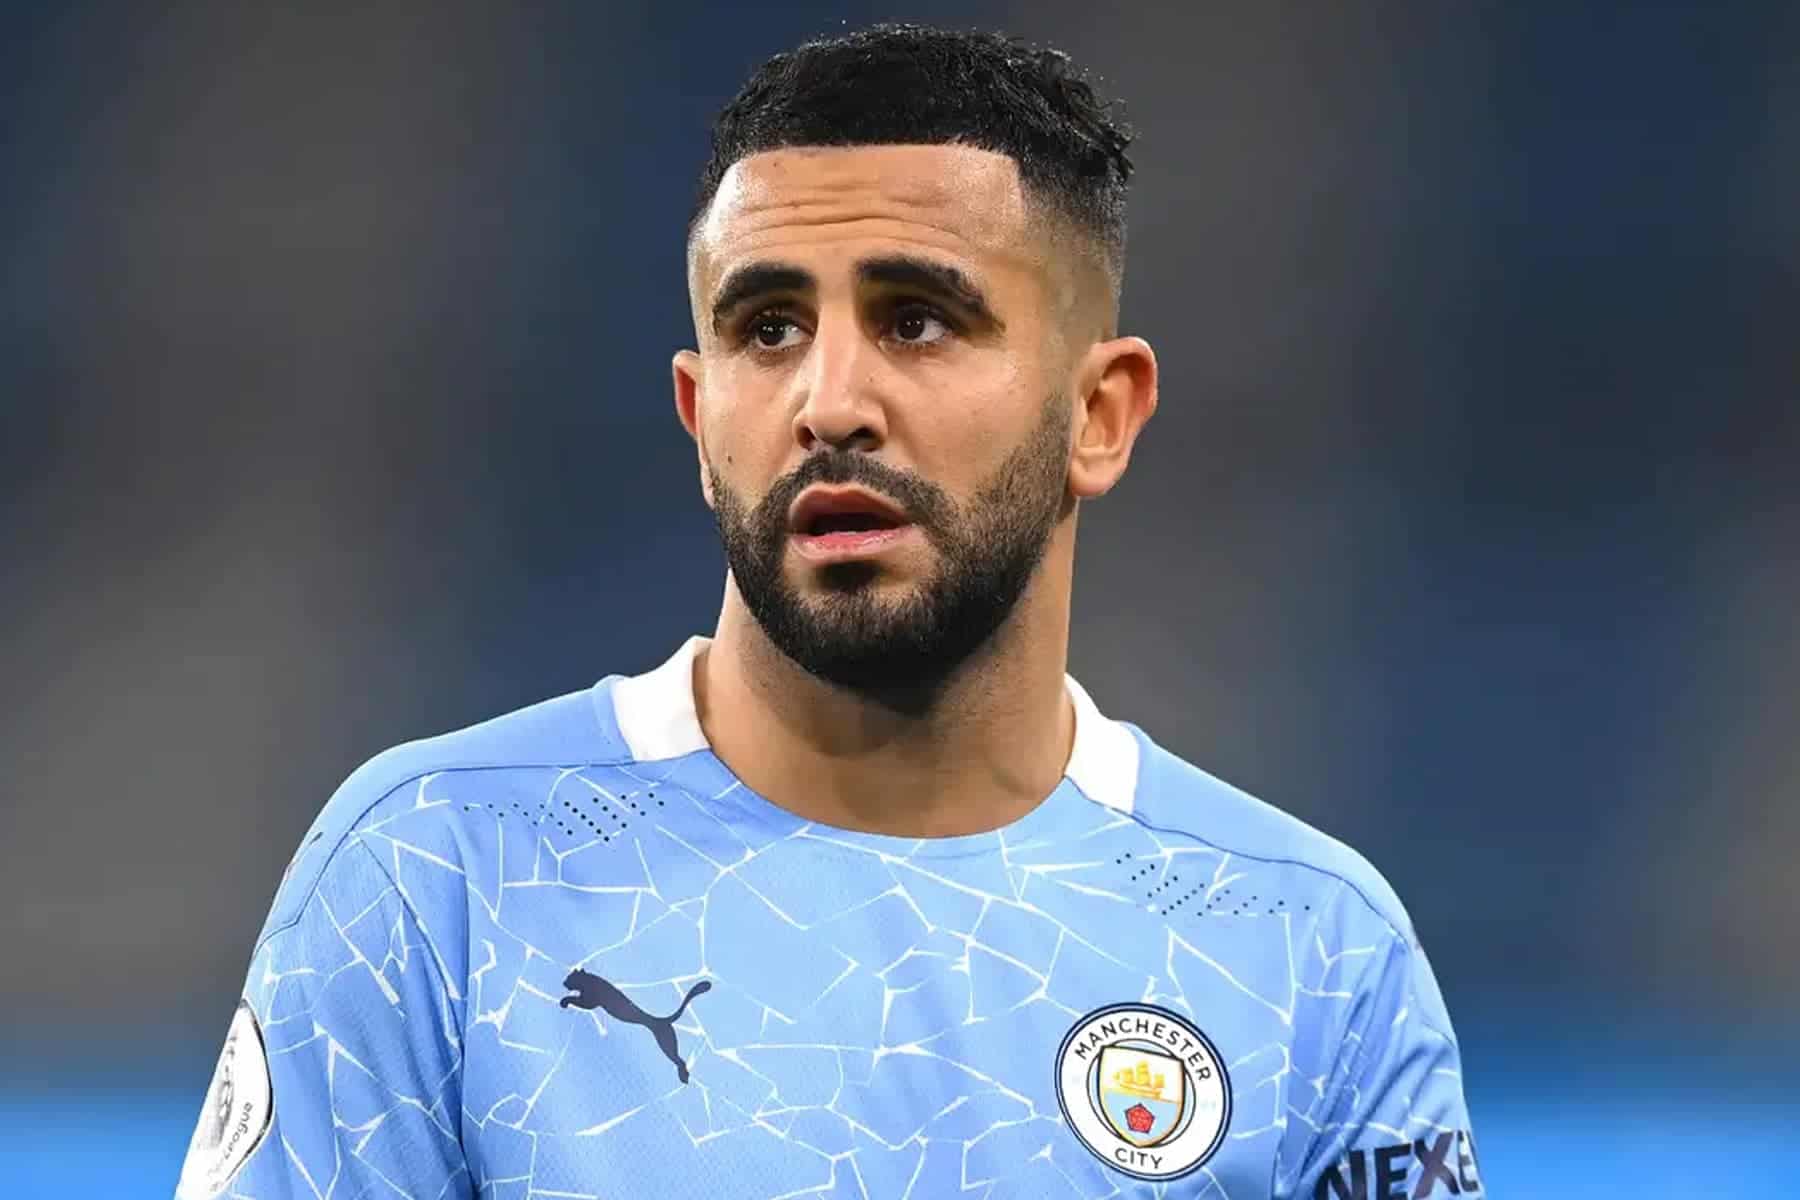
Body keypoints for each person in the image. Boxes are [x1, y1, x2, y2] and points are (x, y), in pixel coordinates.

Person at [177, 23, 1481, 1200]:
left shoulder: (1305, 946)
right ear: (700, 418)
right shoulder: (436, 873)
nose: (831, 401)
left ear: (1099, 414)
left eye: (918, 321)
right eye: (768, 328)